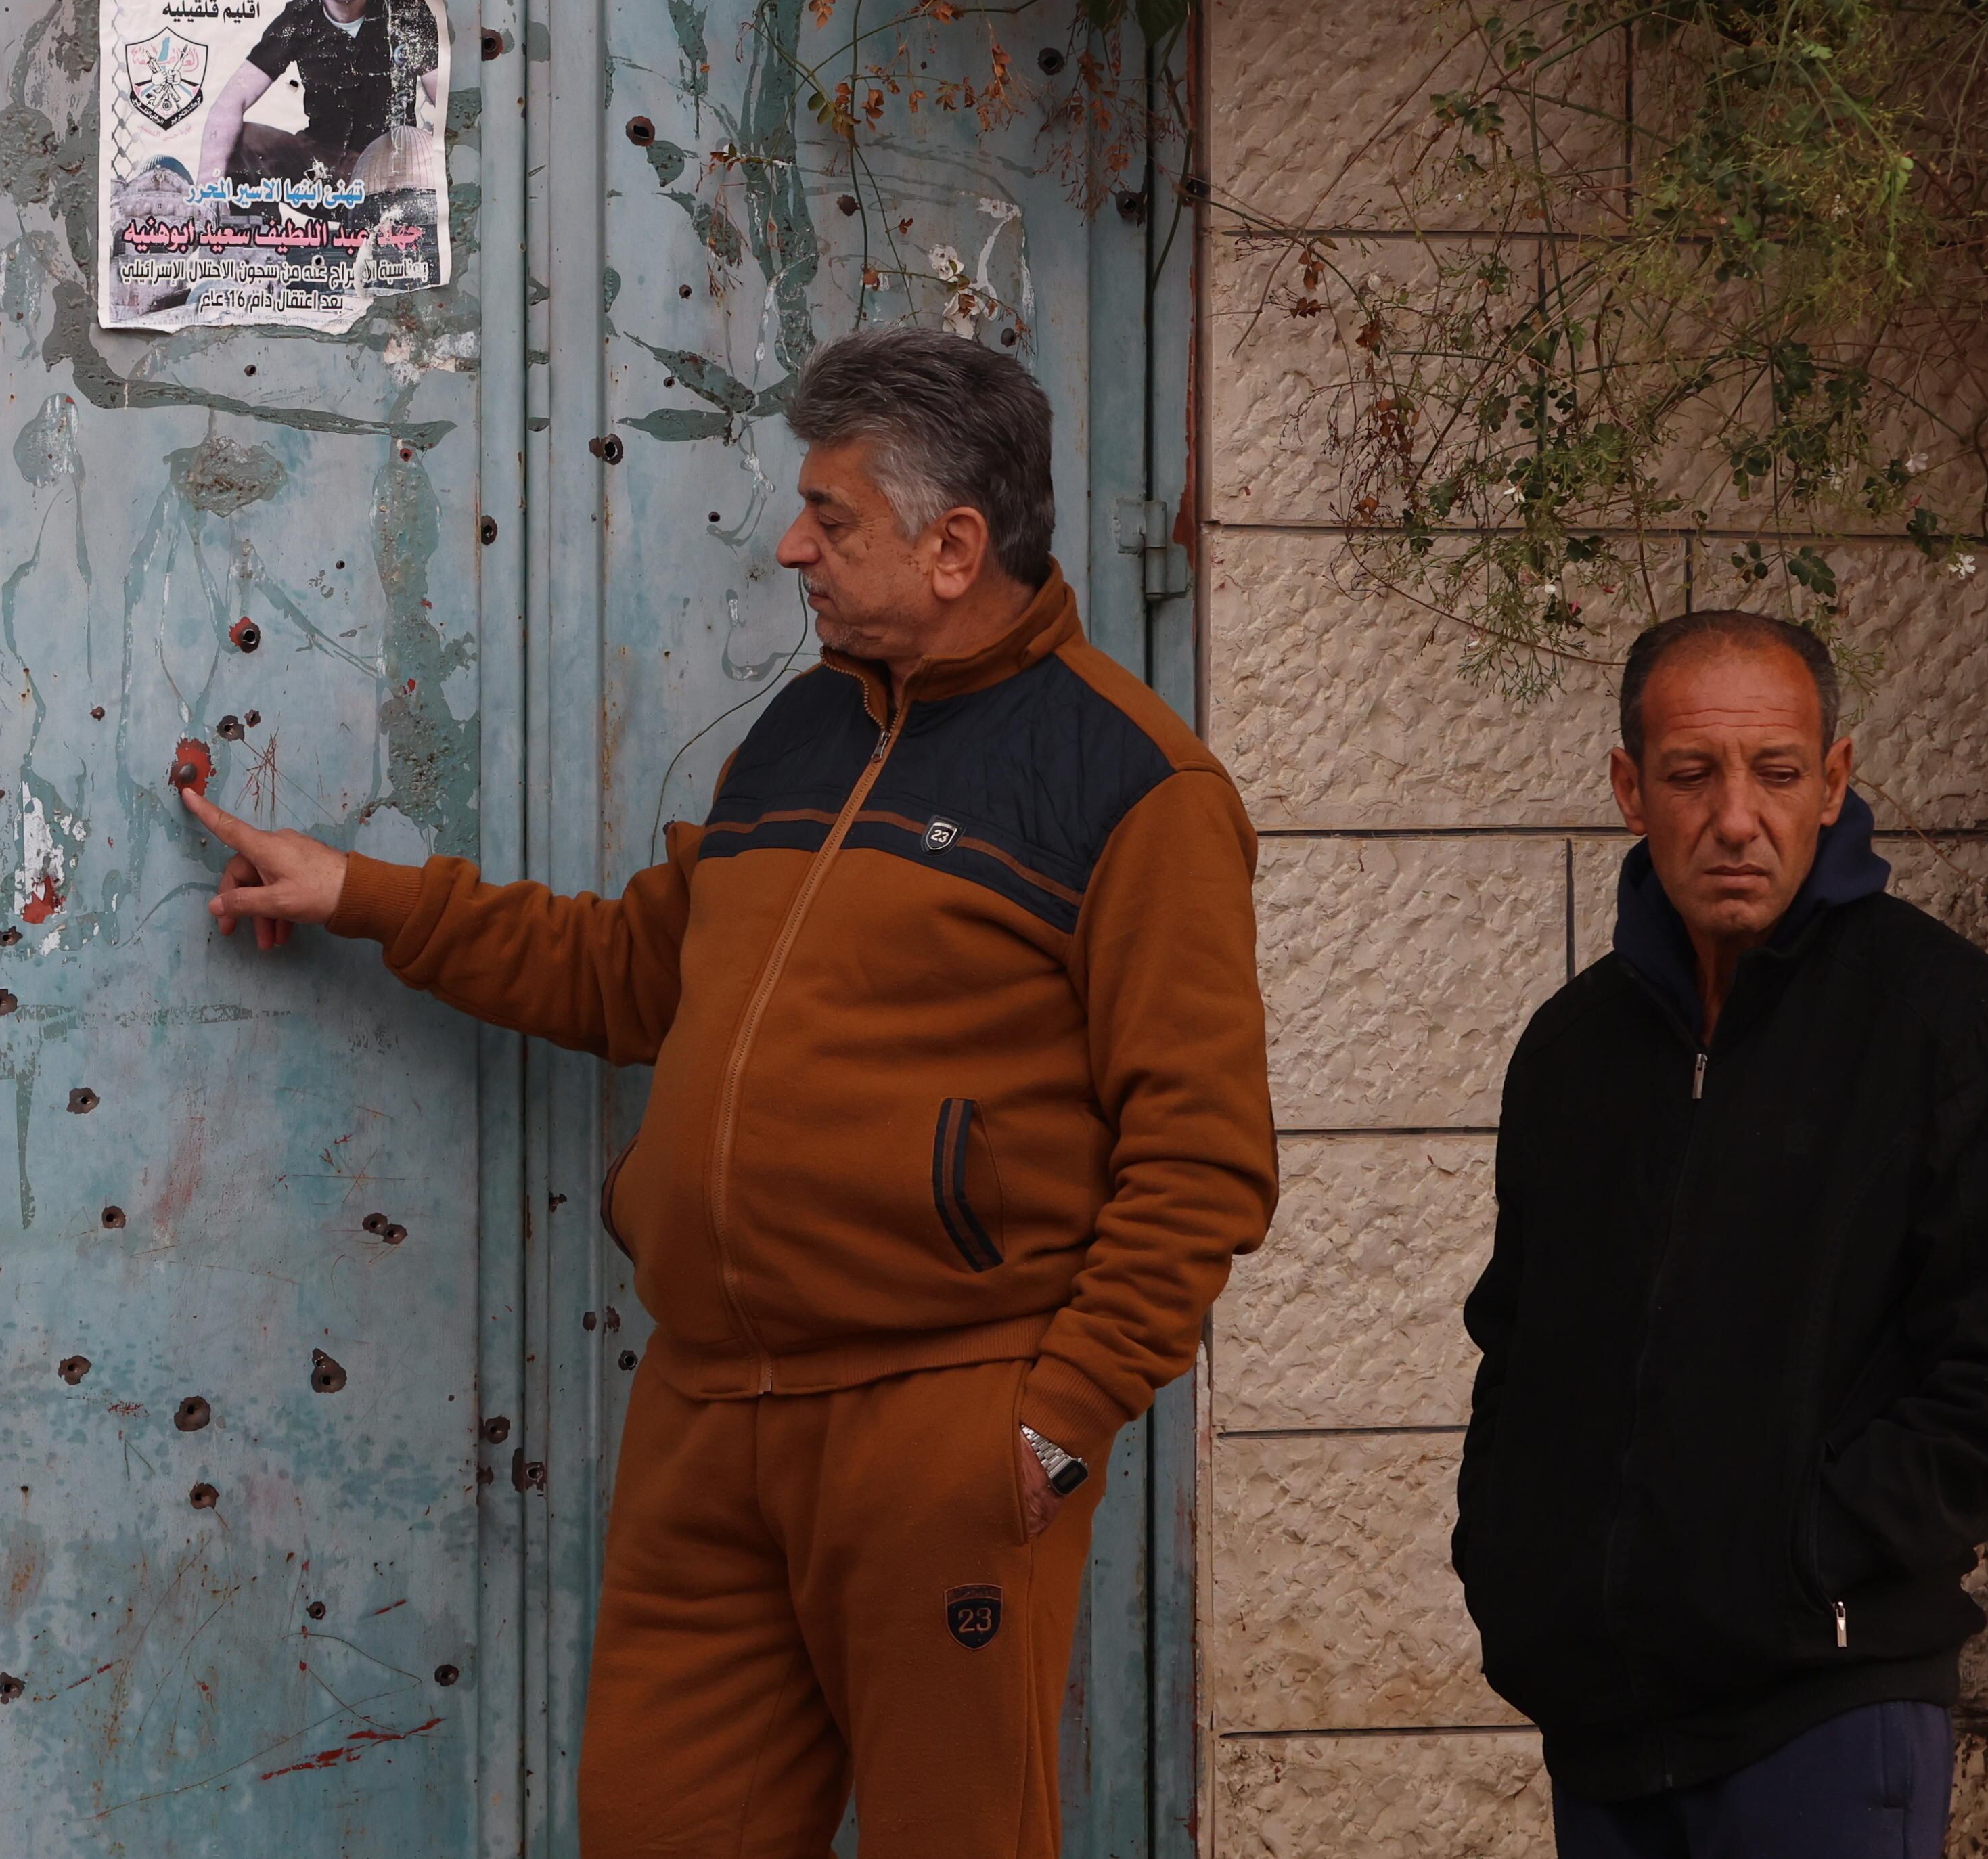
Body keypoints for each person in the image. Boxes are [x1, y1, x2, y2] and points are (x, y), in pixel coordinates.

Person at [180, 325, 1277, 1858]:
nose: (790, 545)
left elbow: (1203, 1158)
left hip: (937, 1422)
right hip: (706, 1414)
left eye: (829, 517)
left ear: (953, 546)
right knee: (654, 1826)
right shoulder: (806, 730)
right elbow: (635, 973)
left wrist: (1052, 1417)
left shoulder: (1135, 788)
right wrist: (363, 892)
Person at [1455, 613, 1988, 1858]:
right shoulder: (1572, 1052)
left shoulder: (1948, 1025)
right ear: (1629, 787)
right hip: (1606, 1724)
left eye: (1777, 772)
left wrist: (1813, 1550)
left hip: (1828, 1709)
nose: (1737, 816)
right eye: (1692, 772)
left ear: (1834, 781)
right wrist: (1516, 1569)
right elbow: (1517, 1343)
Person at [194, 0, 443, 192]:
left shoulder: (404, 6)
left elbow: (443, 97)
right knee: (244, 140)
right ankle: (267, 237)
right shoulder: (300, 17)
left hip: (390, 171)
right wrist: (208, 190)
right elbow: (230, 103)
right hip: (322, 174)